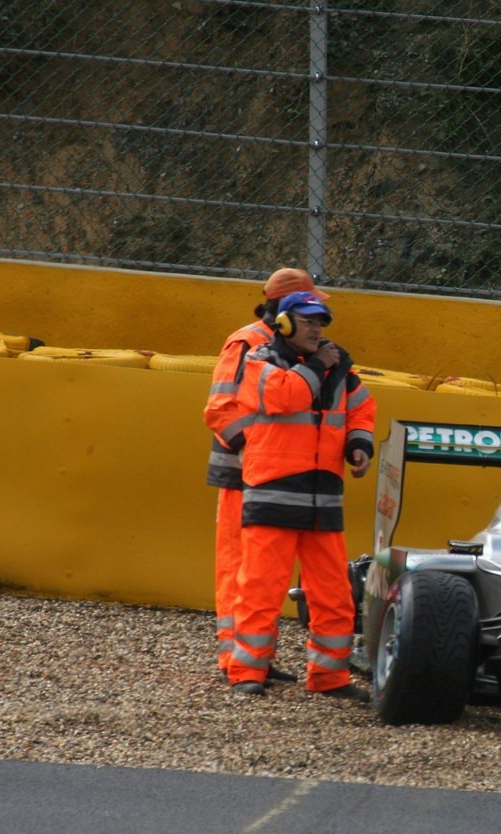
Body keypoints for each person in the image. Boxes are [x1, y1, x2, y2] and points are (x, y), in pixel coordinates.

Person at [226, 290, 376, 699]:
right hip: (272, 494)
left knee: (335, 597)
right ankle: (247, 675)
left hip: (322, 498)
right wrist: (316, 365)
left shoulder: (338, 367)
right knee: (260, 591)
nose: (317, 329)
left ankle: (329, 679)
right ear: (286, 324)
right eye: (309, 322)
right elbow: (281, 397)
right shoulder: (260, 361)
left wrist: (358, 444)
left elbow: (362, 407)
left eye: (321, 323)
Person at [203, 268, 328, 685]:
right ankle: (235, 661)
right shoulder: (248, 342)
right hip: (246, 476)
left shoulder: (293, 345)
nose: (316, 320)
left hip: (274, 478)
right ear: (284, 311)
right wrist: (258, 453)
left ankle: (254, 659)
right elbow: (220, 410)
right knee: (241, 568)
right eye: (307, 310)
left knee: (262, 575)